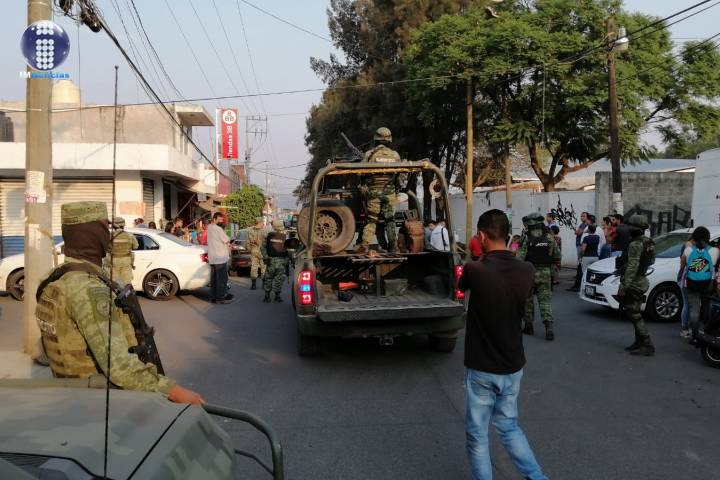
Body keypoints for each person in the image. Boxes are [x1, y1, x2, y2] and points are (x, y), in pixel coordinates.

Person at [35, 201, 203, 405]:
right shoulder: (88, 290)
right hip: (99, 402)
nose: (108, 234)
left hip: (72, 395)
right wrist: (175, 392)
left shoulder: (55, 278)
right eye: (104, 227)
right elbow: (120, 368)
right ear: (92, 233)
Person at [458, 209, 548, 480]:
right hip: (512, 365)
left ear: (482, 236)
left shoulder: (475, 269)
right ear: (509, 236)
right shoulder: (527, 270)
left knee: (477, 435)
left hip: (482, 366)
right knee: (509, 427)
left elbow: (461, 286)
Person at [357, 127, 403, 253]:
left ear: (376, 139)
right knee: (390, 220)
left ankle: (364, 244)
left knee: (372, 219)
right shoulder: (395, 155)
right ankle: (394, 246)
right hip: (390, 193)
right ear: (389, 140)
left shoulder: (369, 154)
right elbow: (399, 176)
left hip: (373, 192)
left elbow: (360, 173)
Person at [616, 214, 656, 356]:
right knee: (635, 313)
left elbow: (632, 267)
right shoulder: (648, 242)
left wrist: (623, 287)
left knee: (634, 315)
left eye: (630, 227)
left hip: (634, 283)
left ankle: (647, 344)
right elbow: (651, 260)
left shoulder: (635, 244)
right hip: (641, 280)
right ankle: (639, 342)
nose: (628, 229)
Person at [519, 212, 561, 341]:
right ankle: (548, 327)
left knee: (528, 300)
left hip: (529, 274)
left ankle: (529, 326)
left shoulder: (527, 237)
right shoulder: (549, 237)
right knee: (545, 301)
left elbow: (520, 258)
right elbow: (557, 256)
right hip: (545, 273)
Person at [679, 226, 719, 342]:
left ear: (694, 238)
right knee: (706, 307)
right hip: (708, 284)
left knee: (694, 309)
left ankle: (695, 335)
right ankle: (706, 332)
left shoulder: (688, 250)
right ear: (708, 238)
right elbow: (715, 267)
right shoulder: (715, 251)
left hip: (691, 284)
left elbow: (682, 266)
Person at [262, 219, 291, 303]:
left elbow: (262, 247)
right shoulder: (285, 237)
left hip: (270, 261)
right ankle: (277, 296)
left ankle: (267, 297)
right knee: (279, 279)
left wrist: (266, 257)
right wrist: (288, 259)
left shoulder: (268, 236)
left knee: (268, 278)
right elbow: (289, 250)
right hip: (281, 262)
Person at [104, 217, 139, 288]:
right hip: (126, 260)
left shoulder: (109, 236)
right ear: (123, 225)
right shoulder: (130, 235)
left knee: (113, 283)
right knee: (127, 282)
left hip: (113, 260)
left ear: (113, 226)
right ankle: (126, 293)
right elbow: (136, 246)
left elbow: (105, 247)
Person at [207, 212, 233, 304]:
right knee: (221, 279)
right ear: (214, 219)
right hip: (220, 258)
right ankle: (221, 298)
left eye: (222, 220)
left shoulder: (209, 227)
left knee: (214, 279)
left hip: (213, 257)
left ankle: (214, 297)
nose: (221, 221)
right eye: (219, 220)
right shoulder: (218, 229)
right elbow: (226, 239)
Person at [247, 217, 267, 290]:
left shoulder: (250, 231)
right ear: (260, 222)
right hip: (262, 252)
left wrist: (250, 249)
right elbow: (267, 242)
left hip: (254, 251)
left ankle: (253, 285)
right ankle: (264, 285)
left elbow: (248, 242)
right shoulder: (264, 231)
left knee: (254, 268)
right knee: (263, 268)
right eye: (262, 222)